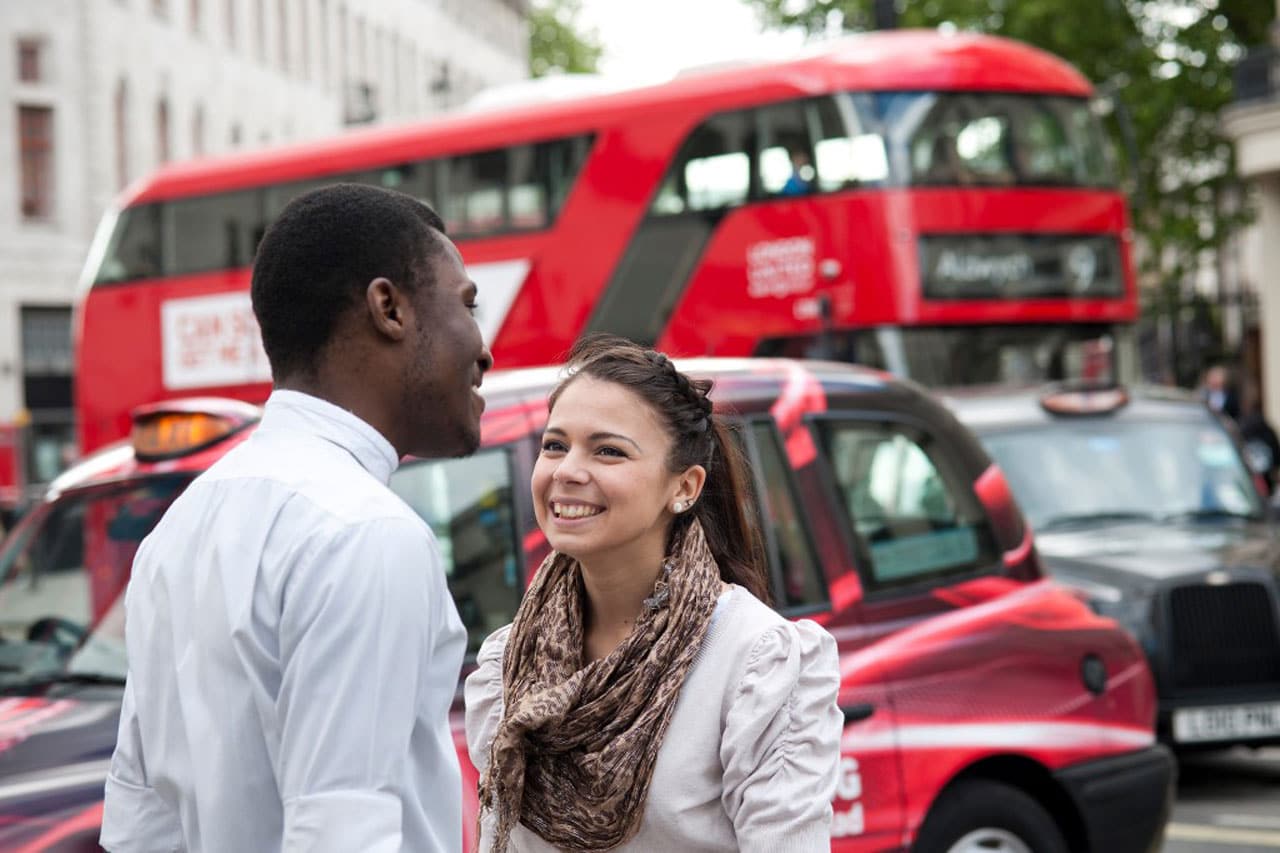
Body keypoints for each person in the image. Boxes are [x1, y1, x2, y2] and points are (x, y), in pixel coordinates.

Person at [101, 183, 493, 852]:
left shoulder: (178, 528)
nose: (484, 349)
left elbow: (139, 826)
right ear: (388, 308)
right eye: (466, 304)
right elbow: (344, 835)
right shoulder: (368, 532)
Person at [464, 334, 842, 852]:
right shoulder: (508, 662)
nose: (568, 471)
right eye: (555, 445)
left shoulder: (754, 661)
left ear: (684, 487)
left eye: (608, 451)